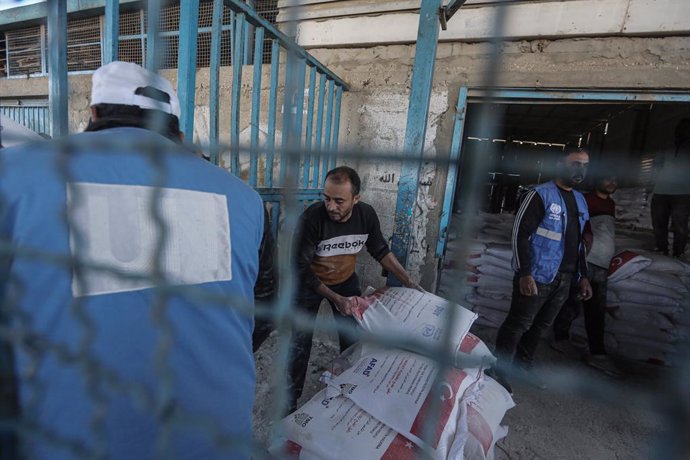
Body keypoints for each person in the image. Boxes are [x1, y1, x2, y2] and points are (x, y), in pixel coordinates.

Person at [0, 61, 263, 459]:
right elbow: (264, 303)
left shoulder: (17, 175)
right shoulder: (244, 198)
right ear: (177, 129)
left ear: (93, 113)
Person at [283, 166, 421, 411]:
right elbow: (300, 268)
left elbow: (380, 250)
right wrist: (335, 298)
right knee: (299, 342)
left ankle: (347, 389)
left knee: (352, 341)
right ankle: (289, 402)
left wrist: (408, 280)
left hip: (345, 281)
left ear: (356, 199)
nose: (331, 207)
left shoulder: (366, 215)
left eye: (339, 201)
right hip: (309, 284)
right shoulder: (312, 219)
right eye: (326, 198)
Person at [490, 147, 593, 394]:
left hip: (565, 277)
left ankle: (523, 366)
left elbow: (579, 242)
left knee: (540, 327)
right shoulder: (539, 194)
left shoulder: (580, 200)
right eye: (575, 163)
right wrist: (525, 272)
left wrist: (583, 276)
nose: (581, 169)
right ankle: (498, 370)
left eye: (585, 164)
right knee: (519, 323)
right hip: (537, 275)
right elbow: (519, 234)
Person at [551, 172, 621, 377]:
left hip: (602, 264)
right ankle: (561, 338)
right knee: (572, 302)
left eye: (615, 179)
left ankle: (597, 353)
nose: (612, 181)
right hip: (586, 261)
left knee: (596, 310)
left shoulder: (611, 205)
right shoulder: (585, 200)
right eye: (608, 177)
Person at [651, 118, 690, 260]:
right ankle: (661, 248)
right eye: (683, 128)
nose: (685, 131)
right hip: (661, 190)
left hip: (683, 193)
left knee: (680, 225)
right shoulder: (667, 146)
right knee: (658, 223)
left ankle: (678, 252)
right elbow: (656, 165)